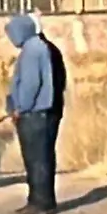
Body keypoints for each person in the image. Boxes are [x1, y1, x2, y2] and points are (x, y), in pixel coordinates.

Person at [4, 14, 56, 214]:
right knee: (39, 158)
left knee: (36, 160)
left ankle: (40, 202)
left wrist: (21, 107)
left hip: (33, 113)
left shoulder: (32, 51)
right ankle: (40, 200)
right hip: (36, 112)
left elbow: (30, 84)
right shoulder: (34, 47)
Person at [32, 15, 67, 180]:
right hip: (53, 107)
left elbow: (34, 83)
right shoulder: (50, 49)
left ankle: (43, 198)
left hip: (44, 111)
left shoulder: (38, 51)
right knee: (45, 152)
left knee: (40, 154)